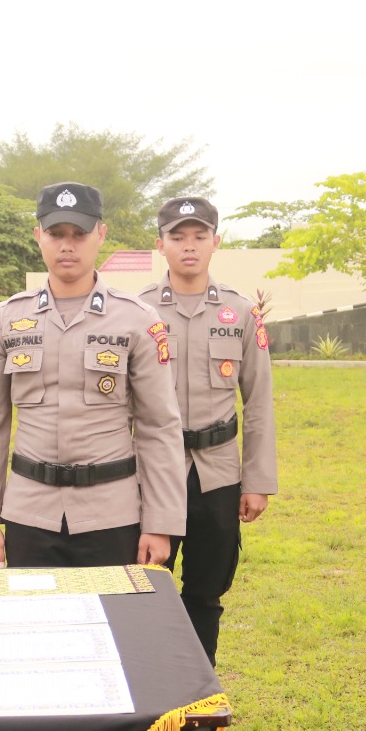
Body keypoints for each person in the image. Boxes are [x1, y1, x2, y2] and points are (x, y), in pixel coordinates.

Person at [0, 181, 186, 731]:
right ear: (38, 237)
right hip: (29, 511)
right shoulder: (5, 320)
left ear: (100, 238)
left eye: (78, 232)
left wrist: (161, 522)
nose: (67, 244)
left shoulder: (134, 321)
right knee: (34, 647)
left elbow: (159, 425)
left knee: (107, 651)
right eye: (55, 232)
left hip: (112, 511)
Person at [137, 197, 277, 664]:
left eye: (199, 236)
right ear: (160, 245)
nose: (189, 246)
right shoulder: (138, 313)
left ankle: (201, 715)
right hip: (152, 473)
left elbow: (257, 402)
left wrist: (256, 482)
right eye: (178, 237)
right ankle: (152, 707)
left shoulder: (240, 313)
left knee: (204, 596)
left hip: (216, 474)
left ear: (217, 242)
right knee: (143, 590)